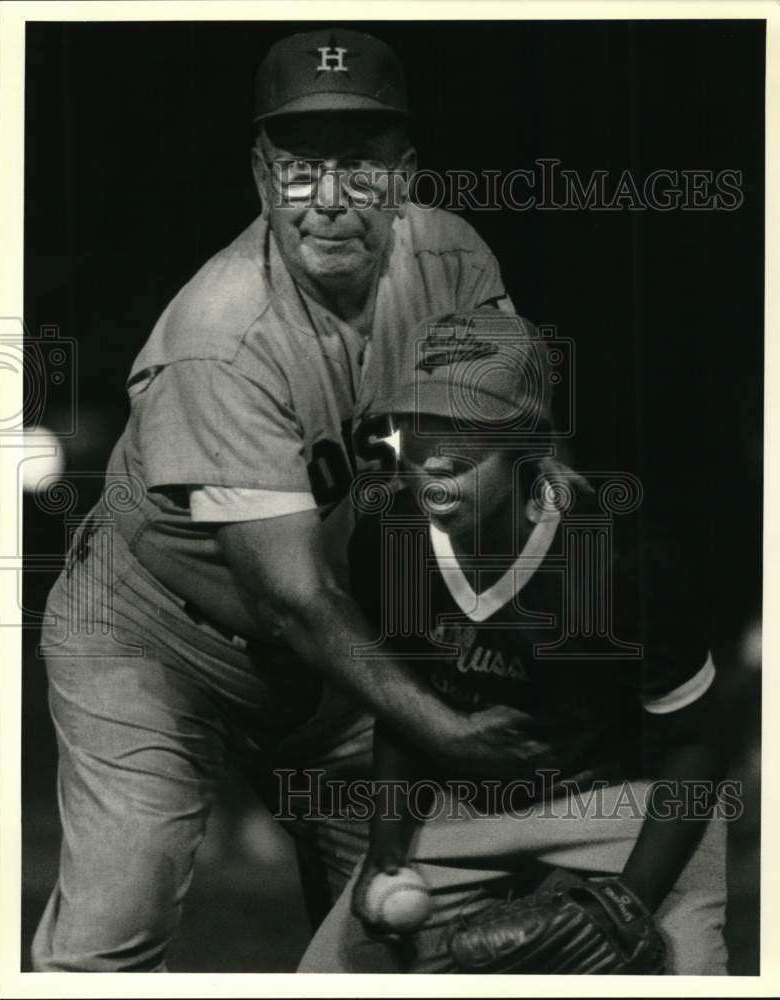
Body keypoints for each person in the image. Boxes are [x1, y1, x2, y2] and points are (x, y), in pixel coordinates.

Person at [31, 29, 552, 972]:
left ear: (404, 176)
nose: (330, 201)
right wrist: (442, 726)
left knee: (401, 922)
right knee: (118, 921)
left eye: (361, 169)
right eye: (301, 170)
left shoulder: (452, 262)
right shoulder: (221, 332)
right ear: (263, 179)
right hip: (151, 640)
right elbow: (288, 594)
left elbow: (500, 450)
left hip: (323, 651)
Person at [298, 309, 729, 975]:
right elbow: (404, 709)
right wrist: (385, 851)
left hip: (622, 806)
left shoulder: (616, 556)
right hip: (467, 804)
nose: (436, 458)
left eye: (468, 431)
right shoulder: (391, 538)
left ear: (528, 441)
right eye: (417, 428)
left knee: (688, 975)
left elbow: (698, 746)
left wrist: (632, 902)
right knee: (327, 977)